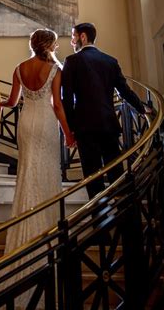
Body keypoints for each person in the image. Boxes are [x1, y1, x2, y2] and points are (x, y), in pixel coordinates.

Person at [0, 28, 75, 310]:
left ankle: (22, 238)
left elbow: (14, 102)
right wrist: (68, 133)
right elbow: (58, 105)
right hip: (45, 123)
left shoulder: (19, 68)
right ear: (50, 45)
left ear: (32, 44)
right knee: (45, 174)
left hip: (26, 124)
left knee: (27, 173)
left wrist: (1, 103)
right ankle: (45, 236)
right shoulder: (54, 68)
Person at [61, 22, 152, 200]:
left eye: (73, 36)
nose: (72, 41)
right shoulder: (110, 61)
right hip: (109, 125)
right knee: (116, 174)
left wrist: (71, 128)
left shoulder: (72, 61)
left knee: (92, 177)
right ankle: (124, 219)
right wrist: (141, 108)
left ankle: (99, 218)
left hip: (85, 128)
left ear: (83, 37)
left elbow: (67, 98)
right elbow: (124, 91)